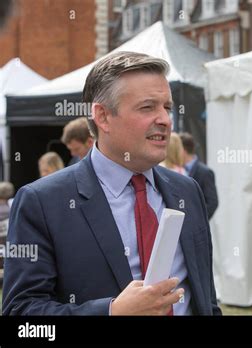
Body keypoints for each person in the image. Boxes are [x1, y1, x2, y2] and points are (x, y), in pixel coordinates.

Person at [3, 51, 221, 315]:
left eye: (167, 107)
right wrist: (112, 312)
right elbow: (22, 314)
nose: (165, 119)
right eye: (147, 107)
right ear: (103, 117)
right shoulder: (43, 202)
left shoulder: (187, 190)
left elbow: (206, 299)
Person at [180, 132, 218, 219]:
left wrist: (197, 221)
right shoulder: (177, 170)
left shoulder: (205, 172)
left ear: (182, 150)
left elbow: (212, 203)